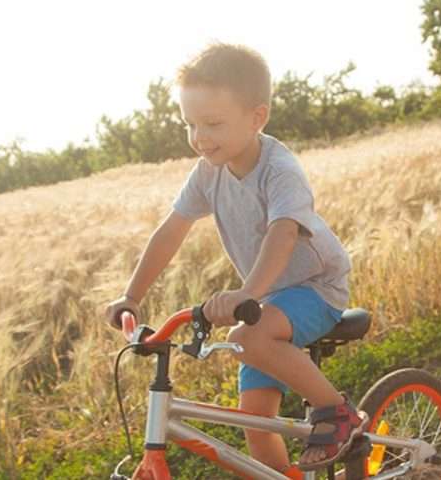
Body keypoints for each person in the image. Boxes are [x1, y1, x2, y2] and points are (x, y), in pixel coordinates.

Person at [102, 43, 367, 475]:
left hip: (315, 288)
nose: (199, 137)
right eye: (190, 124)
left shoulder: (279, 169)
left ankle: (336, 413)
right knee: (256, 424)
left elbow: (283, 233)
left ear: (257, 117)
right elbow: (171, 230)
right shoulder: (209, 171)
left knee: (248, 338)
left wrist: (248, 293)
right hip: (266, 299)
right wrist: (131, 296)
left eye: (213, 123)